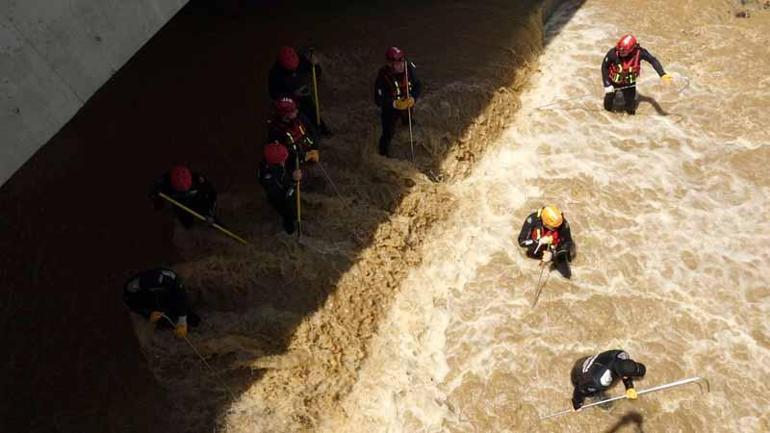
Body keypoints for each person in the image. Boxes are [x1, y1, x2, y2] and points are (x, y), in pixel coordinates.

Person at [268, 46, 333, 136]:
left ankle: (322, 129)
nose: (294, 71)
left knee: (312, 111)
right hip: (288, 101)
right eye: (290, 70)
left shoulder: (301, 61)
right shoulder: (275, 75)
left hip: (302, 93)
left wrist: (315, 64)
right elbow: (275, 94)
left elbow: (315, 71)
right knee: (297, 120)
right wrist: (292, 95)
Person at [601, 34, 673, 115]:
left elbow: (652, 60)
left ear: (632, 49)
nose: (620, 53)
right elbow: (604, 67)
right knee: (607, 106)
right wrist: (607, 84)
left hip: (629, 84)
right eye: (619, 50)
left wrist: (662, 74)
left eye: (623, 52)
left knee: (631, 108)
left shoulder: (640, 53)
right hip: (613, 83)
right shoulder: (613, 53)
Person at [123, 268, 200, 338]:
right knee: (163, 318)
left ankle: (189, 321)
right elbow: (133, 305)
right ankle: (168, 326)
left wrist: (182, 320)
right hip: (149, 302)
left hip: (166, 297)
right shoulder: (132, 288)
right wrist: (149, 314)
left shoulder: (169, 278)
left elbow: (180, 294)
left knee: (179, 307)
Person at [374, 46, 422, 157]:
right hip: (390, 109)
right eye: (396, 62)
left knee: (409, 121)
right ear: (390, 64)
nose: (400, 64)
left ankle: (406, 126)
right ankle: (383, 154)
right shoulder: (383, 77)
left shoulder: (408, 69)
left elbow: (418, 85)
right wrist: (394, 103)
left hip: (407, 103)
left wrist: (413, 98)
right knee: (388, 132)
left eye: (401, 60)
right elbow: (378, 100)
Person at [570, 350, 647, 410]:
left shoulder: (621, 354)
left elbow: (625, 372)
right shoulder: (600, 381)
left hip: (586, 361)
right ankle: (596, 398)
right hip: (579, 375)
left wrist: (629, 387)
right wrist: (577, 404)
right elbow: (579, 389)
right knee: (607, 405)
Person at [517, 205, 576, 278]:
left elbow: (568, 243)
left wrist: (553, 254)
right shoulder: (532, 220)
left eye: (557, 226)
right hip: (536, 246)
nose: (557, 227)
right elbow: (522, 241)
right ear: (544, 223)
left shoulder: (562, 223)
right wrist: (538, 242)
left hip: (555, 248)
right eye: (554, 227)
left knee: (567, 274)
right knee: (530, 273)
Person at [150, 165, 218, 228]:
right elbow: (153, 195)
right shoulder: (162, 182)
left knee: (210, 218)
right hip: (179, 202)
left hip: (197, 197)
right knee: (187, 224)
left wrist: (210, 214)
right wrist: (156, 199)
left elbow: (212, 194)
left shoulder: (199, 180)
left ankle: (213, 221)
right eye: (182, 190)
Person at [257, 141, 302, 234]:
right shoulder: (269, 177)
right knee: (287, 207)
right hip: (279, 197)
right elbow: (285, 194)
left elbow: (289, 154)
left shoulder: (273, 158)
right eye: (283, 160)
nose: (284, 161)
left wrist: (300, 154)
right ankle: (290, 226)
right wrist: (294, 181)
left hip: (283, 183)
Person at [268, 97, 320, 167]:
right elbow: (284, 153)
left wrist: (315, 148)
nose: (297, 111)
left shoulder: (300, 118)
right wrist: (303, 157)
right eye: (293, 110)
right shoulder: (277, 131)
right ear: (285, 115)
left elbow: (312, 130)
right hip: (295, 162)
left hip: (309, 149)